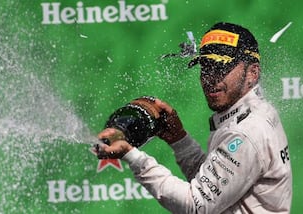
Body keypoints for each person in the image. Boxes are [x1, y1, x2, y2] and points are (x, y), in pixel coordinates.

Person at [96, 22, 292, 213]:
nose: (210, 77)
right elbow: (214, 186)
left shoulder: (246, 132)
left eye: (222, 67)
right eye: (206, 66)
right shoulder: (255, 112)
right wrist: (179, 139)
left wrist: (133, 156)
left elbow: (195, 205)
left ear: (252, 73)